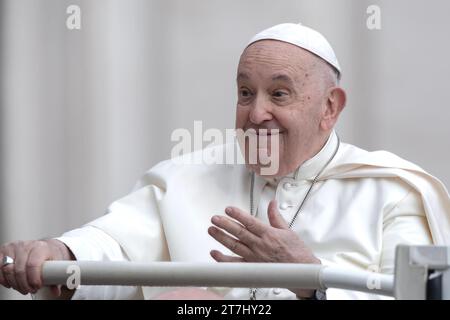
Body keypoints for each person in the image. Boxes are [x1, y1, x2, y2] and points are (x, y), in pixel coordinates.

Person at [1, 23, 450, 300]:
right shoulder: (187, 177)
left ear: (330, 107)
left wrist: (313, 279)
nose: (256, 114)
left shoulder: (393, 191)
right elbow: (114, 247)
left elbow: (412, 296)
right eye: (244, 92)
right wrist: (61, 253)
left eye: (278, 93)